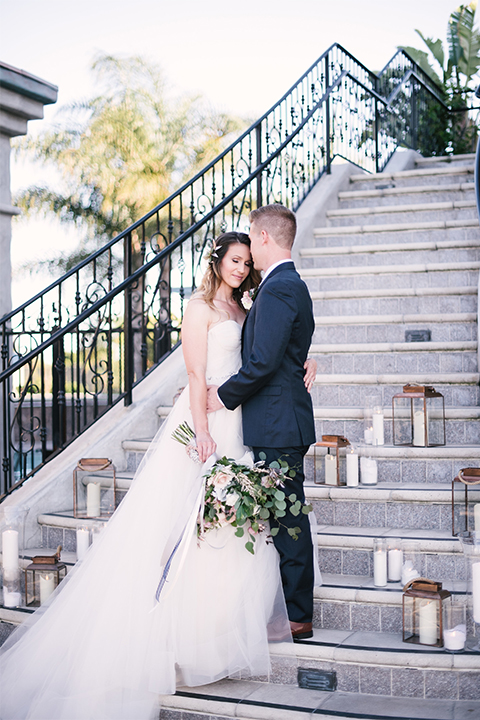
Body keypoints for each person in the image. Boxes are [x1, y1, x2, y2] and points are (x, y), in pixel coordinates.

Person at [0, 230, 316, 720]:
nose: (241, 268)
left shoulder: (247, 306)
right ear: (218, 262)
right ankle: (175, 633)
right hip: (207, 419)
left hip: (242, 422)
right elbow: (194, 375)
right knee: (188, 524)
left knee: (232, 527)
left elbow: (270, 350)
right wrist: (203, 430)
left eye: (246, 261)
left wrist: (304, 359)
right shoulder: (200, 308)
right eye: (234, 260)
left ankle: (221, 628)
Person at [207, 205, 316, 640]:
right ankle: (292, 610)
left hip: (278, 423)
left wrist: (222, 396)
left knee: (289, 521)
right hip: (278, 419)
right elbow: (289, 347)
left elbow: (263, 361)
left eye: (251, 238)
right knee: (283, 518)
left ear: (265, 237)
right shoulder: (282, 285)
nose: (249, 248)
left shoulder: (280, 288)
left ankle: (298, 617)